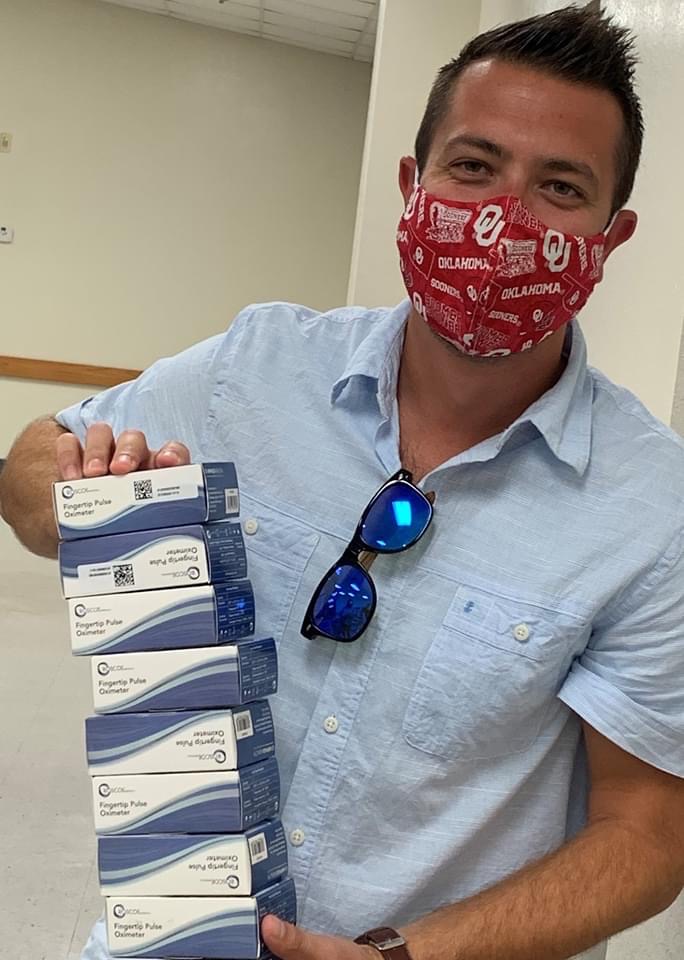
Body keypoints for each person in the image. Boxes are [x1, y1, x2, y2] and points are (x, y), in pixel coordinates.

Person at [1, 7, 683, 960]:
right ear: (412, 185)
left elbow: (648, 833)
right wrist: (75, 489)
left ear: (611, 237)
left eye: (560, 187)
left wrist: (407, 954)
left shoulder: (653, 509)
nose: (502, 220)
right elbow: (35, 461)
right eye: (473, 166)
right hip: (171, 934)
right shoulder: (258, 366)